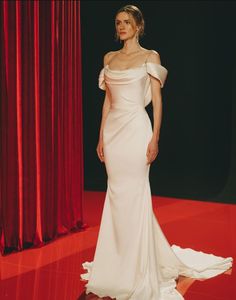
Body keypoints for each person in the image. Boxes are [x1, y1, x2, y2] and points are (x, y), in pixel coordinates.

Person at [81, 4, 233, 300]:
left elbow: (158, 101)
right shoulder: (109, 58)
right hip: (113, 134)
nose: (121, 26)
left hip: (138, 129)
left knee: (136, 193)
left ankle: (137, 267)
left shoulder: (151, 57)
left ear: (138, 26)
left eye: (126, 22)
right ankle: (117, 262)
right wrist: (100, 136)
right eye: (117, 22)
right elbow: (108, 102)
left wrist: (155, 137)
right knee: (116, 193)